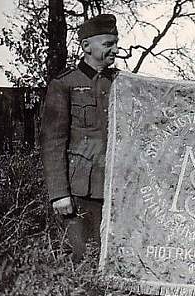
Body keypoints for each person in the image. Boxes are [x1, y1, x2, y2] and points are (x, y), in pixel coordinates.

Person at [40, 14, 119, 262]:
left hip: (113, 189)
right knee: (81, 260)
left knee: (110, 263)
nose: (115, 49)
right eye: (108, 44)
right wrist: (59, 193)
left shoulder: (120, 83)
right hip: (78, 193)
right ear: (86, 46)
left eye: (116, 43)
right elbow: (53, 142)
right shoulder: (65, 84)